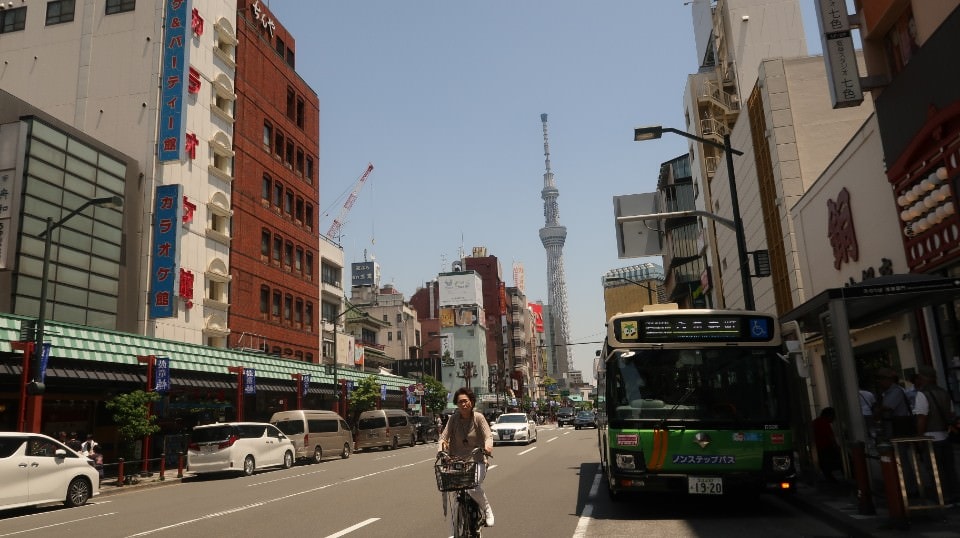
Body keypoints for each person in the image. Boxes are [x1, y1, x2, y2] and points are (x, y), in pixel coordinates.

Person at [438, 387, 494, 527]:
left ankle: (487, 510)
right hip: (456, 462)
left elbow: (488, 436)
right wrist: (441, 451)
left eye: (465, 401)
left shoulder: (478, 418)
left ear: (471, 402)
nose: (463, 404)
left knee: (472, 487)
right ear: (456, 404)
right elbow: (443, 438)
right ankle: (453, 532)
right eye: (460, 402)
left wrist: (487, 447)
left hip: (477, 461)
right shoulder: (453, 419)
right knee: (454, 495)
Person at [913, 365, 958, 504]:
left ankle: (942, 497)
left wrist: (920, 438)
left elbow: (922, 418)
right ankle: (955, 495)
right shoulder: (944, 392)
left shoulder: (922, 394)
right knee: (949, 468)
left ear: (921, 378)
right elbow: (951, 413)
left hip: (930, 437)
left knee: (935, 470)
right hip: (945, 435)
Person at [874, 368, 914, 439]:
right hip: (893, 426)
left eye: (882, 379)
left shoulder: (896, 391)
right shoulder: (887, 392)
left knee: (900, 447)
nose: (880, 382)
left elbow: (887, 407)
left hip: (899, 426)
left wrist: (877, 411)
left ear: (889, 380)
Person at [812, 407, 842, 483]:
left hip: (819, 448)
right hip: (825, 448)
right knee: (837, 461)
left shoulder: (815, 422)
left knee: (825, 465)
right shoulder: (824, 423)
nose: (834, 419)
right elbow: (830, 437)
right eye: (833, 416)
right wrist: (837, 447)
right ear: (829, 415)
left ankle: (829, 477)